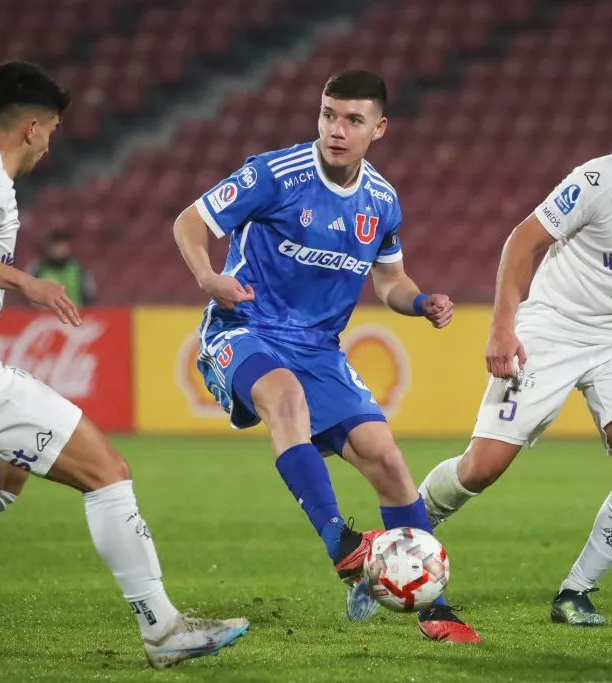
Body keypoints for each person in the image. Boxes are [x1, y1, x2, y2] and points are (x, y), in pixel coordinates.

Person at [0, 61, 247, 670]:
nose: (51, 142)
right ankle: (162, 629)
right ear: (35, 128)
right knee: (107, 469)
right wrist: (26, 284)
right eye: (54, 130)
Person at [172, 69, 479, 644]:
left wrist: (420, 301)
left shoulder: (382, 201)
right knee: (284, 396)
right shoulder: (275, 173)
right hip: (244, 327)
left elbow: (389, 282)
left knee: (387, 460)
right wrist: (208, 277)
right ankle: (340, 541)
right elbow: (189, 222)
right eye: (328, 115)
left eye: (352, 120)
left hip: (320, 349)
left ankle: (435, 605)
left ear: (378, 128)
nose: (336, 130)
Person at [419, 90, 612, 626]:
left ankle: (576, 592)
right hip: (551, 326)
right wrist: (503, 326)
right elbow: (522, 241)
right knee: (482, 467)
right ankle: (402, 531)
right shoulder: (604, 179)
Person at [30, 228, 96, 307]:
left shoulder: (81, 270)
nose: (60, 249)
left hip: (75, 316)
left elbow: (89, 299)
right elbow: (29, 300)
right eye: (56, 245)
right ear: (48, 247)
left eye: (63, 244)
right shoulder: (37, 270)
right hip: (43, 317)